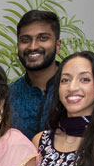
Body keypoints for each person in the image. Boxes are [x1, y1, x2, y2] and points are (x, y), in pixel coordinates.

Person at [9, 10, 61, 139]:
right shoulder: (7, 96)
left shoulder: (77, 93)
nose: (33, 46)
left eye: (43, 38)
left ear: (57, 45)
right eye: (25, 40)